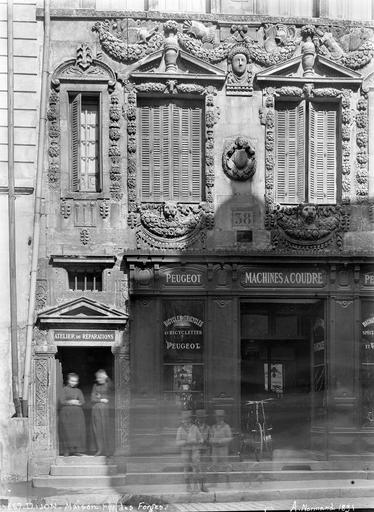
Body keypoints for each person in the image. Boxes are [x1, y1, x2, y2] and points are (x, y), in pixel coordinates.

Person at [59, 373, 86, 456]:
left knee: (77, 432)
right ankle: (66, 450)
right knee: (67, 431)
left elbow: (82, 401)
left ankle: (76, 450)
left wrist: (78, 402)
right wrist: (71, 402)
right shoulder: (64, 389)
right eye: (72, 381)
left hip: (77, 415)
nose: (73, 382)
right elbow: (61, 401)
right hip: (67, 414)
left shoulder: (78, 391)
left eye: (75, 381)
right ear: (68, 380)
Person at [176, 410, 202, 493]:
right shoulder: (180, 429)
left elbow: (201, 439)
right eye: (185, 419)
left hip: (194, 451)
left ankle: (195, 485)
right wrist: (185, 442)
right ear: (182, 420)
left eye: (188, 419)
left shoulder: (194, 428)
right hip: (185, 451)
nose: (186, 421)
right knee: (186, 468)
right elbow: (177, 442)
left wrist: (197, 441)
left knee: (196, 468)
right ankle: (188, 485)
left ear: (190, 419)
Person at [91, 369, 114, 456]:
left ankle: (108, 451)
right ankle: (99, 449)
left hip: (107, 411)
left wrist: (107, 378)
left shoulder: (109, 384)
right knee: (98, 430)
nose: (99, 379)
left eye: (101, 377)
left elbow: (114, 391)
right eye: (98, 378)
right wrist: (101, 399)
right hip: (97, 410)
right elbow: (92, 398)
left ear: (105, 377)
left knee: (107, 430)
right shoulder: (95, 386)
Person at [195, 409, 210, 492]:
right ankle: (197, 486)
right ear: (197, 418)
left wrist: (205, 441)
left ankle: (203, 485)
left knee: (203, 469)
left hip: (204, 450)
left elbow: (210, 439)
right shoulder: (193, 427)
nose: (201, 419)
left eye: (203, 418)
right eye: (200, 418)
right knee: (196, 468)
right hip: (196, 450)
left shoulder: (208, 428)